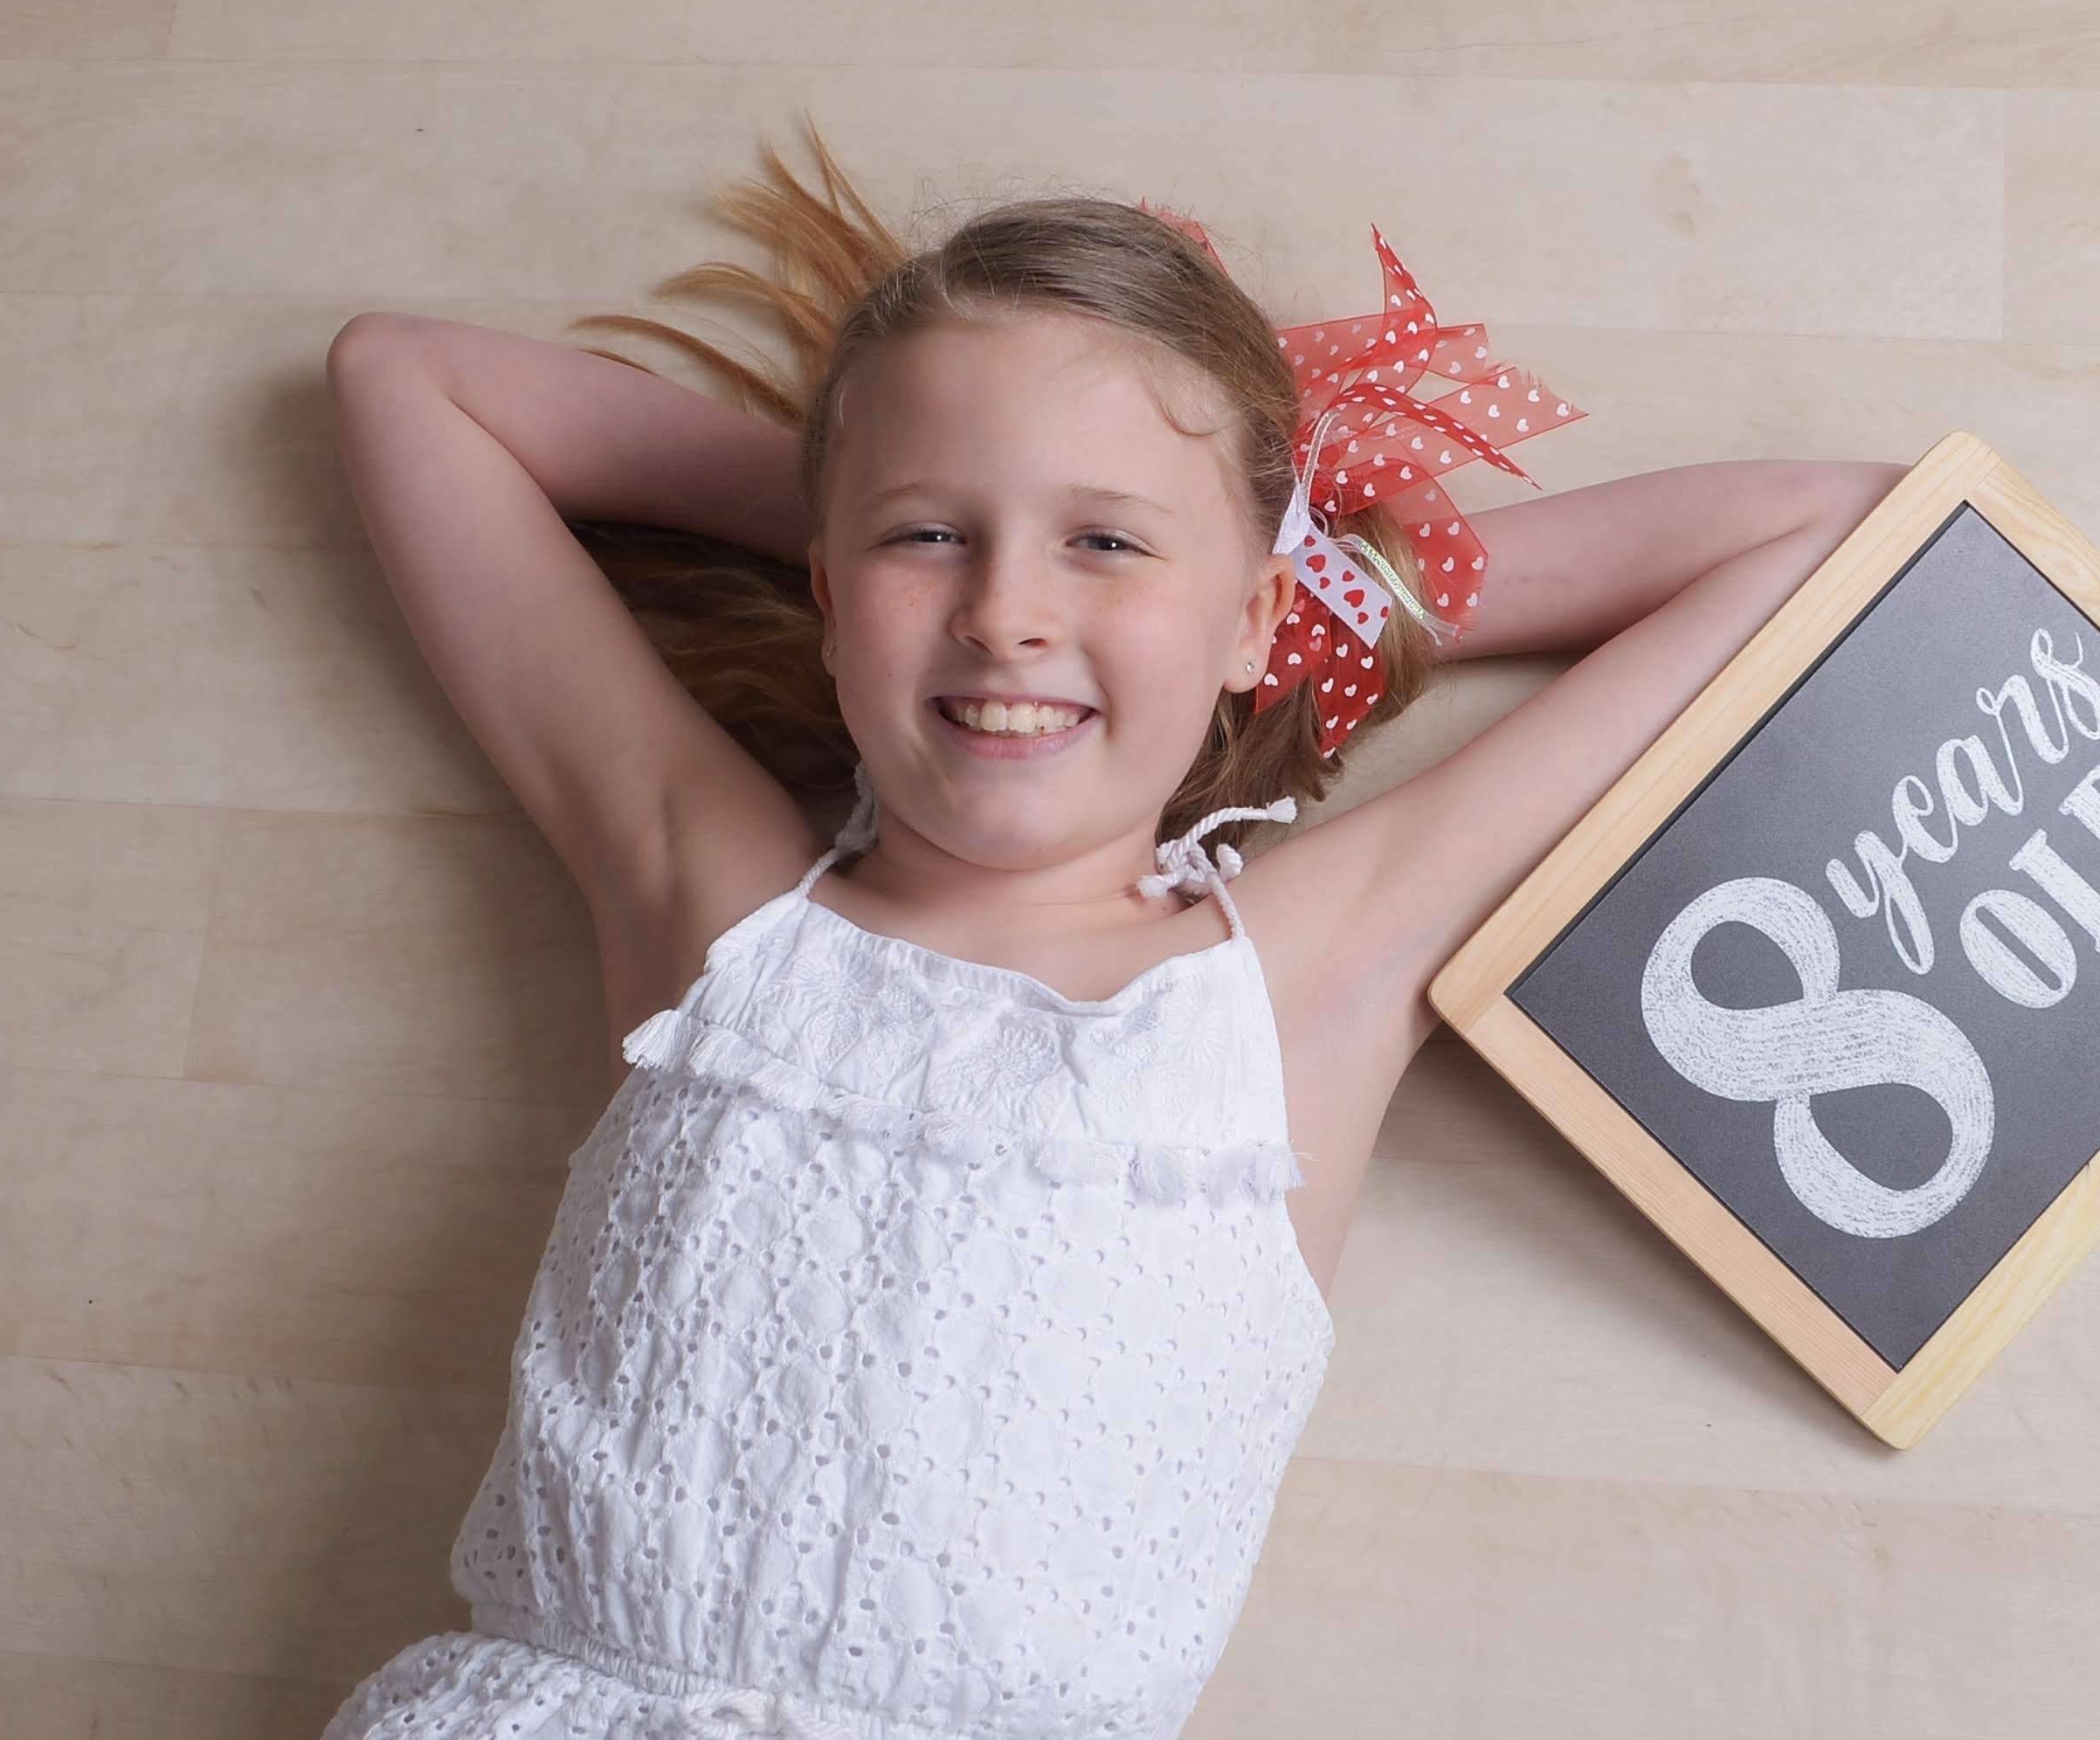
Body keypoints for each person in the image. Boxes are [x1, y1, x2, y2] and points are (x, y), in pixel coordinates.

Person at [316, 114, 1904, 1738]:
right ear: (829, 593)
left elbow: (1849, 539)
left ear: (1255, 614)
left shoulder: (1304, 982)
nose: (1007, 611)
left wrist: (1347, 592)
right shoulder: (710, 904)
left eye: (1104, 541)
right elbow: (402, 381)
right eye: (933, 539)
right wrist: (861, 499)